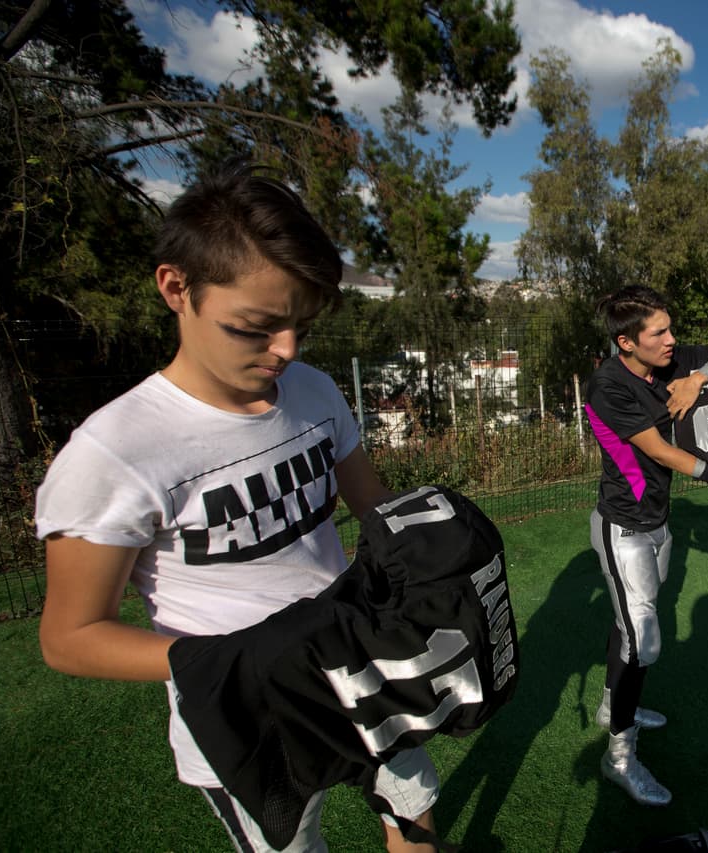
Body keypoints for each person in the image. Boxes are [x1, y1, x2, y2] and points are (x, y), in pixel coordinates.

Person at [35, 163, 440, 852]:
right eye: (256, 327)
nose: (285, 350)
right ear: (176, 287)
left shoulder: (312, 391)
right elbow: (68, 637)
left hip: (357, 667)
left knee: (413, 805)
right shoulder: (113, 452)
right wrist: (234, 658)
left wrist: (425, 554)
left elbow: (373, 507)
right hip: (247, 718)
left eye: (300, 327)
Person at [585, 285, 708, 806]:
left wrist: (700, 377)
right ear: (627, 343)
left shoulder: (669, 363)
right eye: (660, 333)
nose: (672, 339)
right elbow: (661, 453)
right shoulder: (608, 385)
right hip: (622, 529)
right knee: (643, 642)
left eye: (671, 328)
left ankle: (614, 704)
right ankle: (618, 758)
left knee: (629, 627)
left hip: (658, 523)